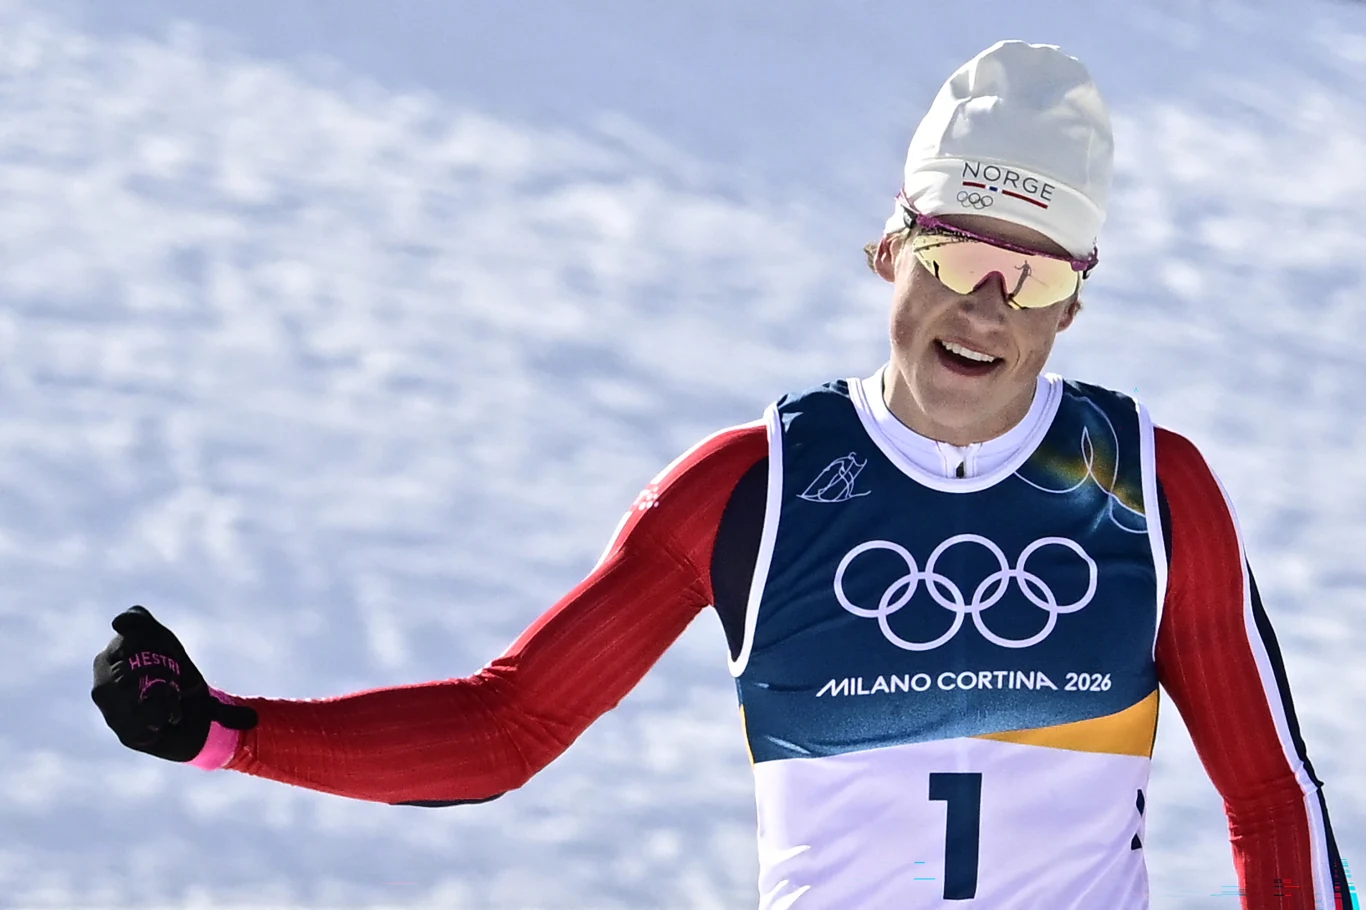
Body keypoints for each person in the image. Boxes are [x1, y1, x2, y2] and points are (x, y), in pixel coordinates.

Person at [91, 40, 1349, 910]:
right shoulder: (754, 484)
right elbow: (509, 724)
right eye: (961, 253)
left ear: (1074, 309)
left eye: (1036, 276)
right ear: (890, 250)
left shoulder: (1147, 486)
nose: (986, 307)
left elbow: (1268, 788)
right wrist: (223, 734)